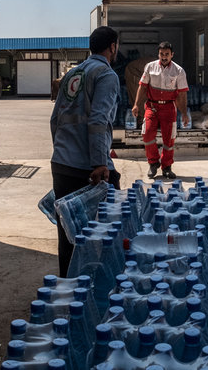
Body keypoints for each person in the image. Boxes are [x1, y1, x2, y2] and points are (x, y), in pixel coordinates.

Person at [50, 25, 121, 278]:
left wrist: (61, 154)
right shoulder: (106, 74)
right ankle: (96, 291)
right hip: (89, 168)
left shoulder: (72, 74)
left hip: (62, 164)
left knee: (67, 234)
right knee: (105, 232)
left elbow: (55, 120)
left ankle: (68, 291)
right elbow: (98, 121)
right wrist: (100, 163)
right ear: (113, 46)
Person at [132, 41, 189, 179]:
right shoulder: (150, 67)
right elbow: (143, 86)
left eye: (167, 54)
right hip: (152, 106)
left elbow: (182, 93)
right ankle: (153, 163)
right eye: (161, 54)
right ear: (158, 54)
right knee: (146, 134)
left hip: (169, 108)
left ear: (172, 55)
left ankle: (167, 167)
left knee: (169, 140)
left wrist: (184, 113)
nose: (164, 57)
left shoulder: (179, 71)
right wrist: (136, 105)